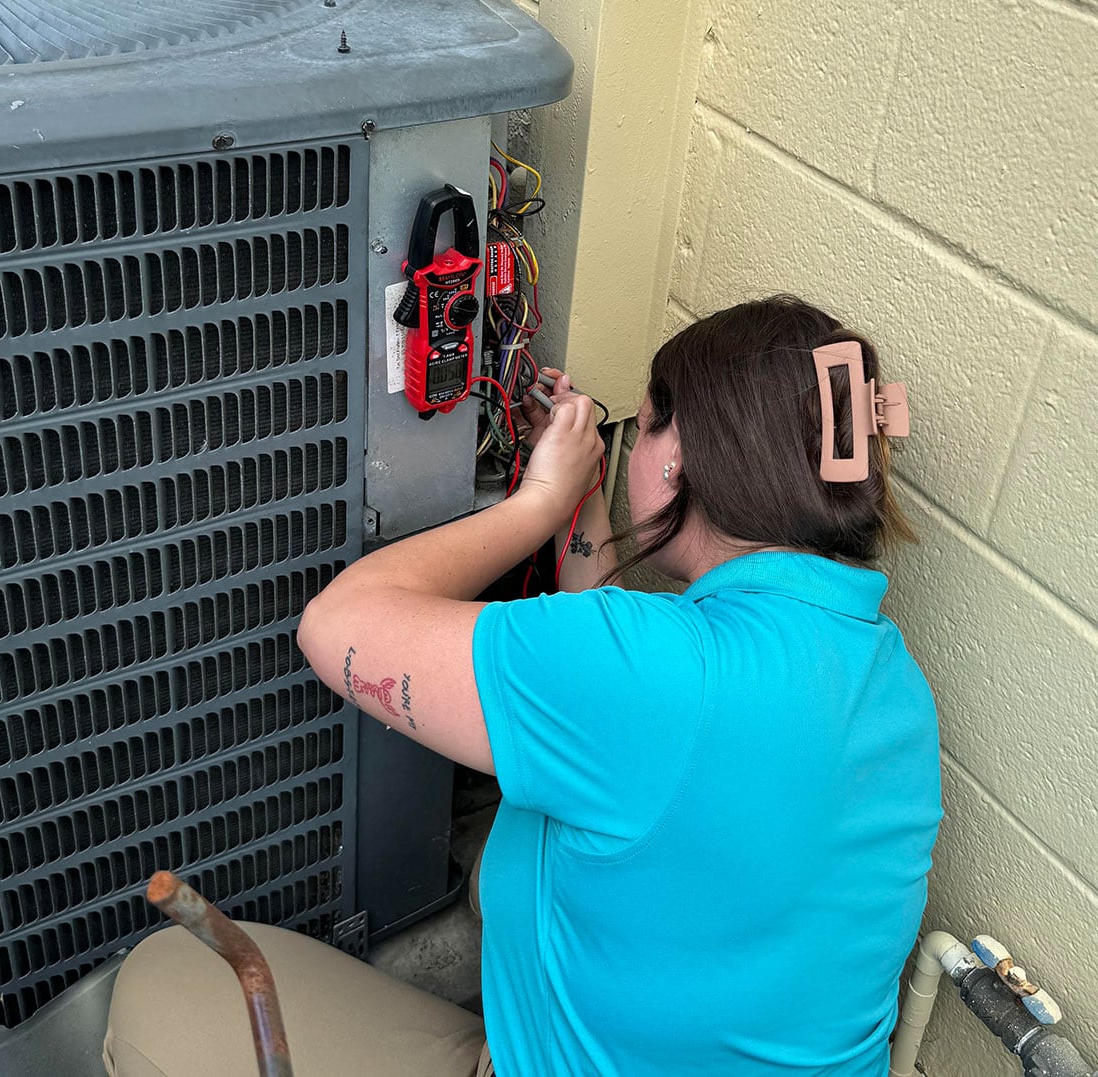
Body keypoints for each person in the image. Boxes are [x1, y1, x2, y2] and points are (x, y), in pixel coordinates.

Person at [103, 295, 941, 1076]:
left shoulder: (657, 674)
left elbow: (335, 627)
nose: (633, 451)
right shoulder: (890, 683)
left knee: (165, 979)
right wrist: (582, 504)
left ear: (678, 460)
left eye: (643, 431)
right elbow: (629, 704)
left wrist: (537, 503)